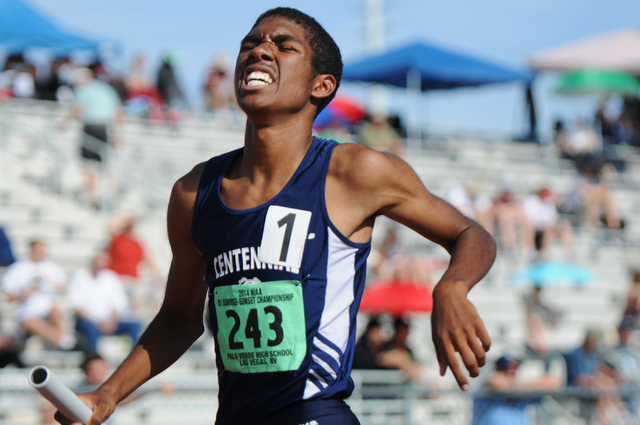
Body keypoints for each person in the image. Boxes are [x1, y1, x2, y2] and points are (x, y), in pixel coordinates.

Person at [54, 8, 496, 425]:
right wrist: (108, 393)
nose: (259, 50)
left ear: (320, 86)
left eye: (283, 46)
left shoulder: (354, 172)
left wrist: (453, 287)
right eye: (251, 43)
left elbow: (469, 233)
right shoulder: (193, 192)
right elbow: (178, 317)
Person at [2, 239, 76, 350]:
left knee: (55, 308)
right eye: (38, 250)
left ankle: (60, 341)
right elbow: (8, 296)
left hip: (47, 308)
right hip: (26, 310)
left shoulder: (51, 267)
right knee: (30, 321)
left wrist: (50, 282)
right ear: (31, 250)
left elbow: (65, 287)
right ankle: (63, 341)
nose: (41, 253)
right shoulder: (18, 268)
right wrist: (25, 293)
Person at [67, 67, 124, 207]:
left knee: (88, 163)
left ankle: (95, 193)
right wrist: (118, 134)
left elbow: (77, 109)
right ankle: (108, 192)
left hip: (90, 128)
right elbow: (118, 112)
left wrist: (62, 124)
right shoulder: (106, 89)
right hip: (104, 129)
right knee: (103, 162)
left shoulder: (83, 90)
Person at [67, 250, 141, 353]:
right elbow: (76, 307)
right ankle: (94, 360)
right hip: (88, 322)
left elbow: (119, 305)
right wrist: (97, 322)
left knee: (135, 326)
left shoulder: (111, 277)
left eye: (103, 260)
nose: (99, 263)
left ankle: (132, 359)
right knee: (90, 329)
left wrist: (111, 321)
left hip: (109, 322)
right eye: (98, 259)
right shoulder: (80, 276)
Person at [472, 354, 562, 425]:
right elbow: (495, 381)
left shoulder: (522, 389)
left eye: (515, 367)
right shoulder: (488, 386)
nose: (512, 370)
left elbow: (555, 382)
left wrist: (521, 386)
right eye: (507, 367)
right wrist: (518, 387)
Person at [106, 212, 160, 313]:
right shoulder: (118, 239)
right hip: (116, 277)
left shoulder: (137, 243)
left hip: (133, 279)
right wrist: (126, 217)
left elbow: (149, 259)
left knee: (139, 299)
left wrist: (155, 275)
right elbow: (110, 224)